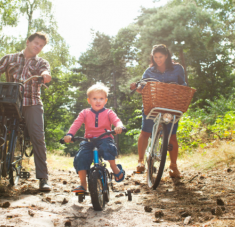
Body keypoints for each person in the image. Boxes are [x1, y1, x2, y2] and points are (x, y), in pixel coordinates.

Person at [0, 32, 52, 191]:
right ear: (28, 42)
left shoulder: (41, 62)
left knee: (38, 136)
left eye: (41, 45)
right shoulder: (9, 58)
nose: (38, 47)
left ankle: (43, 178)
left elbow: (46, 74)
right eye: (36, 43)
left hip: (32, 102)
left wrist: (44, 77)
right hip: (10, 100)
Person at [130, 44, 187, 178]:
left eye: (160, 57)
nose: (158, 60)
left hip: (171, 106)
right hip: (153, 105)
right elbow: (142, 87)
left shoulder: (178, 68)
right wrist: (136, 87)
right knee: (145, 132)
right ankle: (140, 161)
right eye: (155, 57)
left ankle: (173, 166)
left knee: (172, 135)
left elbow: (183, 85)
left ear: (166, 56)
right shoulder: (149, 71)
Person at [63, 83, 125, 193]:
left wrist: (119, 126)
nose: (98, 101)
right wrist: (70, 134)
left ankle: (114, 167)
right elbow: (76, 124)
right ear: (89, 100)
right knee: (81, 157)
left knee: (108, 147)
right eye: (94, 98)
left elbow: (116, 120)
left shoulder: (108, 112)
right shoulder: (85, 113)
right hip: (89, 140)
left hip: (104, 138)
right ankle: (83, 184)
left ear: (105, 101)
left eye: (101, 98)